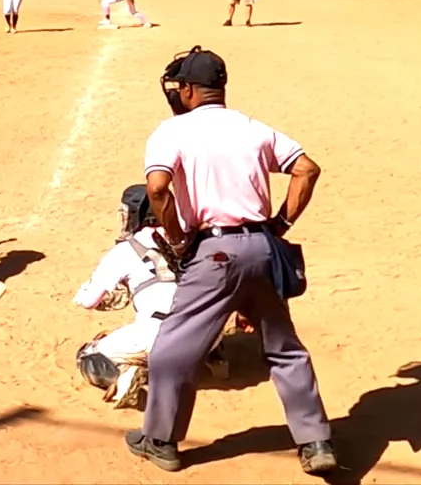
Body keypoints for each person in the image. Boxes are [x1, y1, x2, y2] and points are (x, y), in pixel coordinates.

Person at [127, 46, 336, 476]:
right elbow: (307, 170)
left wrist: (177, 234)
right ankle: (316, 443)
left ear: (187, 90)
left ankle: (161, 440)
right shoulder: (253, 129)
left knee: (173, 350)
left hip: (215, 253)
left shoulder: (172, 131)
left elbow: (158, 189)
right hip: (263, 249)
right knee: (285, 349)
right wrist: (278, 225)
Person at [74, 185, 184, 410]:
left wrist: (83, 292)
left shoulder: (124, 251)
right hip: (205, 334)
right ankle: (215, 357)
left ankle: (126, 376)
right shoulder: (187, 241)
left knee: (88, 354)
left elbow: (89, 301)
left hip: (157, 337)